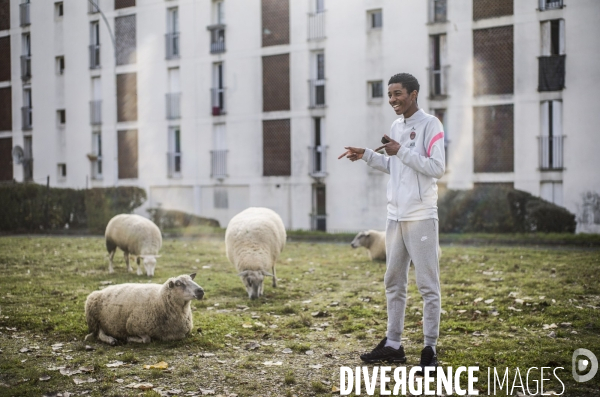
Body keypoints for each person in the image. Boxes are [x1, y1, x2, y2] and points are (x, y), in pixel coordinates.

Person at [338, 73, 445, 374]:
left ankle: (429, 349)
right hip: (395, 217)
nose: (392, 100)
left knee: (428, 285)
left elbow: (437, 168)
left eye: (398, 94)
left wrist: (403, 151)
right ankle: (394, 346)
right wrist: (368, 155)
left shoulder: (431, 125)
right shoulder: (397, 127)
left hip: (422, 216)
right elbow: (394, 166)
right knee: (393, 281)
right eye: (389, 94)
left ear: (413, 94)